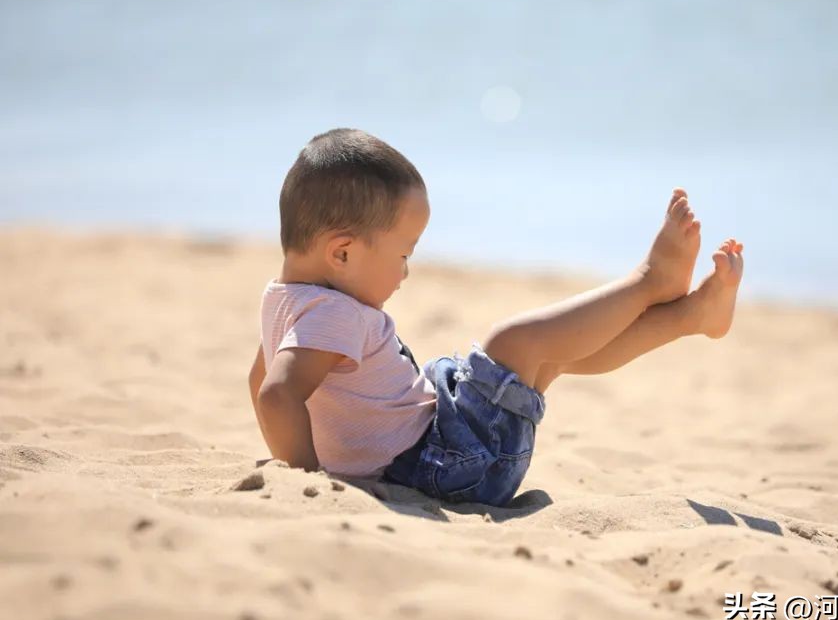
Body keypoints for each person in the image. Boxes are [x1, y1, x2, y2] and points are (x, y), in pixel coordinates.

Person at [247, 128, 744, 506]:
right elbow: (276, 395)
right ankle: (650, 282)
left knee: (552, 357)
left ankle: (691, 315)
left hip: (437, 439)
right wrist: (307, 483)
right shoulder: (331, 313)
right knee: (519, 344)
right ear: (343, 254)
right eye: (402, 254)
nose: (405, 272)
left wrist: (316, 457)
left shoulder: (285, 299)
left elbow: (261, 379)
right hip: (445, 465)